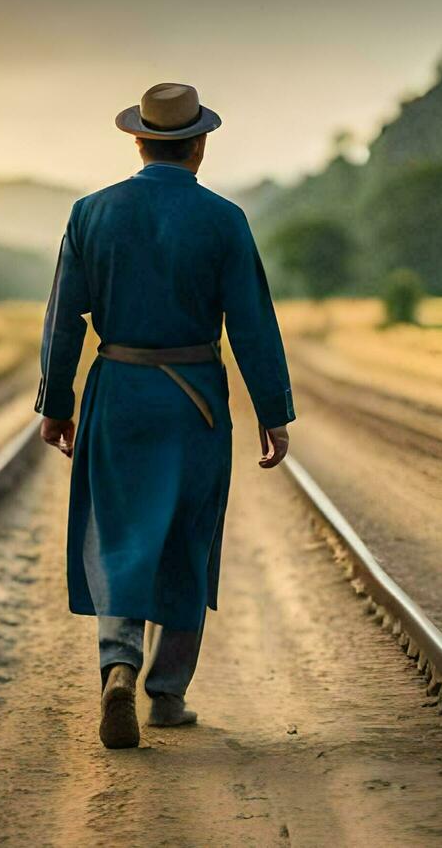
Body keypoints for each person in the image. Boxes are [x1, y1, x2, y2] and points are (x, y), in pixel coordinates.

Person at [35, 82, 295, 749]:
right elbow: (253, 325)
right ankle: (166, 693)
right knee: (187, 536)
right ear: (199, 144)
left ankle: (117, 664)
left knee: (119, 532)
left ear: (138, 139)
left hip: (117, 391)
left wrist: (57, 405)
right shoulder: (225, 220)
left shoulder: (90, 213)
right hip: (195, 401)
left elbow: (64, 320)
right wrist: (273, 411)